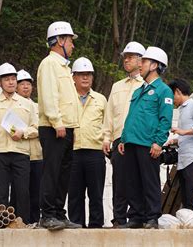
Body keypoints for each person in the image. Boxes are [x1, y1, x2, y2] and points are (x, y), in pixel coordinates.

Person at [118, 46, 174, 229]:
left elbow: (165, 119)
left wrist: (159, 142)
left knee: (149, 181)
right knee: (132, 181)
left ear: (154, 65)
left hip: (148, 143)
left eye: (144, 61)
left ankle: (151, 217)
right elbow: (131, 117)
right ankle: (135, 217)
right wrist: (123, 138)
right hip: (131, 142)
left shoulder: (163, 91)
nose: (140, 65)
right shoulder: (138, 91)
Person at [37, 21, 81, 230]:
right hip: (55, 128)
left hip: (66, 127)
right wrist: (56, 122)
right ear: (60, 41)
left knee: (64, 173)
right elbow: (49, 96)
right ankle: (47, 215)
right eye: (70, 41)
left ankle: (58, 213)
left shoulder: (63, 66)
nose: (72, 45)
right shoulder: (49, 64)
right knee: (52, 171)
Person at [0, 63, 38, 224]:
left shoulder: (27, 104)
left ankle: (23, 224)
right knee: (1, 192)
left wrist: (24, 133)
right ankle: (2, 225)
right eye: (7, 79)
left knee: (22, 192)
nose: (11, 82)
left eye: (13, 79)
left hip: (21, 153)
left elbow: (36, 127)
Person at [102, 41, 145, 227]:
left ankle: (136, 218)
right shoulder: (117, 86)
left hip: (139, 140)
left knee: (137, 180)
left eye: (130, 57)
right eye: (125, 57)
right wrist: (106, 137)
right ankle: (119, 219)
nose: (126, 60)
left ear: (141, 60)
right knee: (119, 181)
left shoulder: (147, 85)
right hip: (119, 139)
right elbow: (110, 114)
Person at [68, 57, 107, 228]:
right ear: (73, 77)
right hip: (72, 152)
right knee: (75, 194)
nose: (85, 78)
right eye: (81, 74)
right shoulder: (67, 99)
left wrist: (106, 140)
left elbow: (108, 125)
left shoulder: (100, 99)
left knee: (96, 194)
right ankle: (76, 227)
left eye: (89, 74)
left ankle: (96, 227)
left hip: (95, 152)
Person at [166, 79, 193, 211]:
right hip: (184, 160)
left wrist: (183, 131)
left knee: (192, 198)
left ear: (178, 92)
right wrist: (175, 140)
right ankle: (189, 223)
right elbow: (187, 136)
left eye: (172, 95)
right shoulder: (183, 110)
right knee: (185, 197)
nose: (171, 100)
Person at [16, 69, 42, 224]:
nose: (25, 87)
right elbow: (9, 128)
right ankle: (19, 222)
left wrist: (24, 132)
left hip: (37, 155)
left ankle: (35, 221)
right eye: (22, 84)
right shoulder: (13, 106)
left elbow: (40, 128)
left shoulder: (38, 107)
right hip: (19, 155)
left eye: (28, 84)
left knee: (36, 192)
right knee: (20, 192)